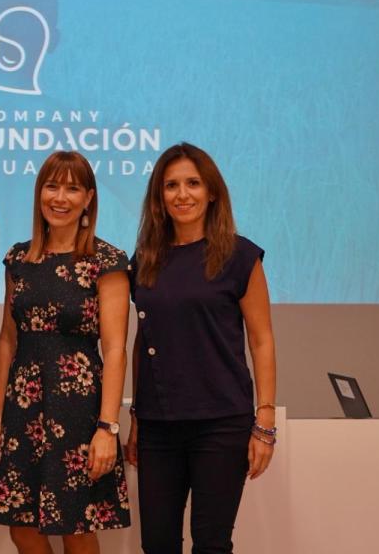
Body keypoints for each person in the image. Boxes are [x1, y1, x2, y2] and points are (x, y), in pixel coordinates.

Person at [125, 142, 277, 554]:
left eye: (193, 183)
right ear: (159, 197)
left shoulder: (240, 255)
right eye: (171, 185)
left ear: (212, 191)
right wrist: (137, 415)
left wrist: (264, 423)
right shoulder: (145, 259)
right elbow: (144, 339)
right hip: (158, 425)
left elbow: (262, 341)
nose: (182, 194)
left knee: (211, 544)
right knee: (157, 544)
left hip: (221, 423)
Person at [0, 150, 131, 552]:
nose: (60, 197)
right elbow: (7, 339)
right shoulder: (18, 258)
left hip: (81, 412)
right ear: (39, 193)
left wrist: (107, 428)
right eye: (52, 186)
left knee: (76, 526)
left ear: (88, 198)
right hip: (23, 408)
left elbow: (116, 349)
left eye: (72, 188)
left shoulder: (106, 260)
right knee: (22, 526)